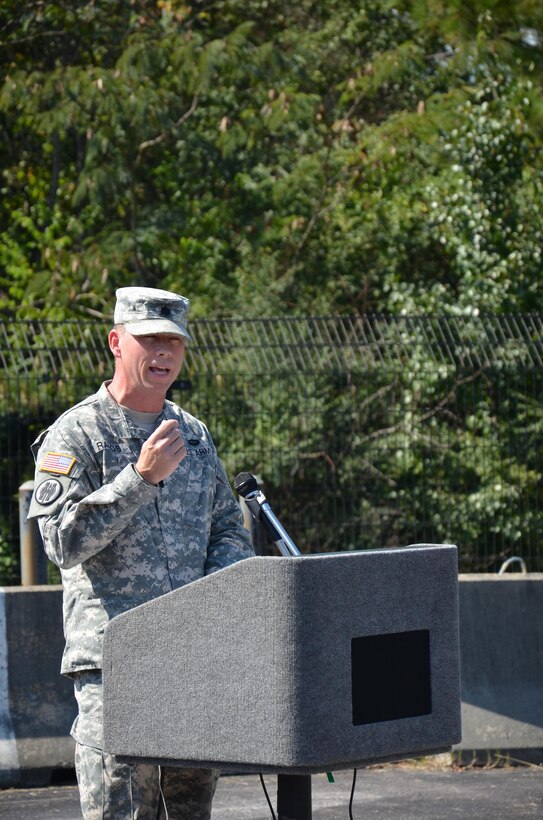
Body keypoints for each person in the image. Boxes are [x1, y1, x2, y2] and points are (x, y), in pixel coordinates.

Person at [28, 286, 255, 819]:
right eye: (149, 339)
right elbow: (61, 543)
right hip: (116, 667)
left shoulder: (193, 435)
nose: (164, 353)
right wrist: (139, 480)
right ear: (115, 342)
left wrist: (210, 597)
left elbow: (228, 526)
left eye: (174, 342)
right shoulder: (77, 434)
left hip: (190, 660)